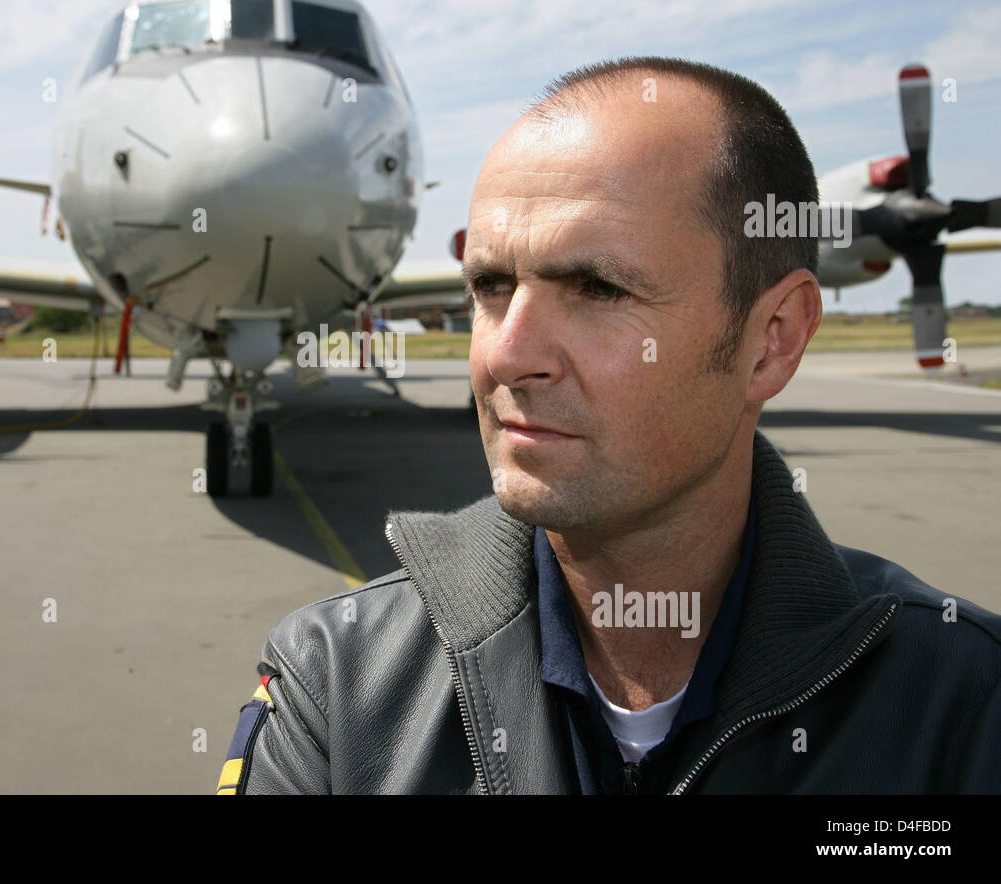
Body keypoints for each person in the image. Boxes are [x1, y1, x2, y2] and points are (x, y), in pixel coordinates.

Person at [215, 57, 1001, 794]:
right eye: (490, 286)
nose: (505, 357)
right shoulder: (330, 683)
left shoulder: (970, 708)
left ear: (774, 339)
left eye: (596, 287)